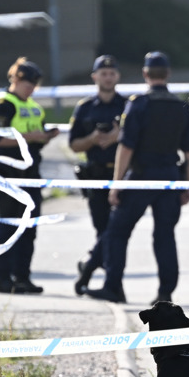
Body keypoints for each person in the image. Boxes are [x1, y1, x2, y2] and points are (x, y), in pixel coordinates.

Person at [85, 51, 189, 304]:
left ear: (145, 74)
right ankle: (165, 293)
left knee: (117, 231)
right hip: (170, 177)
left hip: (141, 176)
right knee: (164, 235)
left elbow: (126, 148)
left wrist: (117, 183)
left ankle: (113, 287)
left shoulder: (138, 104)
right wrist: (186, 185)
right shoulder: (181, 106)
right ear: (167, 74)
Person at [0, 57, 59, 293]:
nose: (31, 89)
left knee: (29, 228)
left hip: (30, 173)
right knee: (8, 225)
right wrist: (34, 137)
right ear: (16, 79)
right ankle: (2, 277)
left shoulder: (35, 107)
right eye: (28, 83)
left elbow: (36, 141)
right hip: (7, 172)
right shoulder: (3, 104)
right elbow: (0, 140)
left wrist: (45, 137)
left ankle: (22, 277)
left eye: (34, 84)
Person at [69, 55, 126, 295]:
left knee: (116, 230)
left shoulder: (127, 105)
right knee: (105, 230)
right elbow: (73, 144)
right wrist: (92, 139)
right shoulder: (85, 108)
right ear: (95, 77)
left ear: (117, 76)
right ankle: (102, 275)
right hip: (94, 176)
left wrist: (117, 136)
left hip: (120, 176)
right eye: (103, 73)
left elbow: (137, 139)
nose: (108, 77)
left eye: (112, 73)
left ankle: (91, 268)